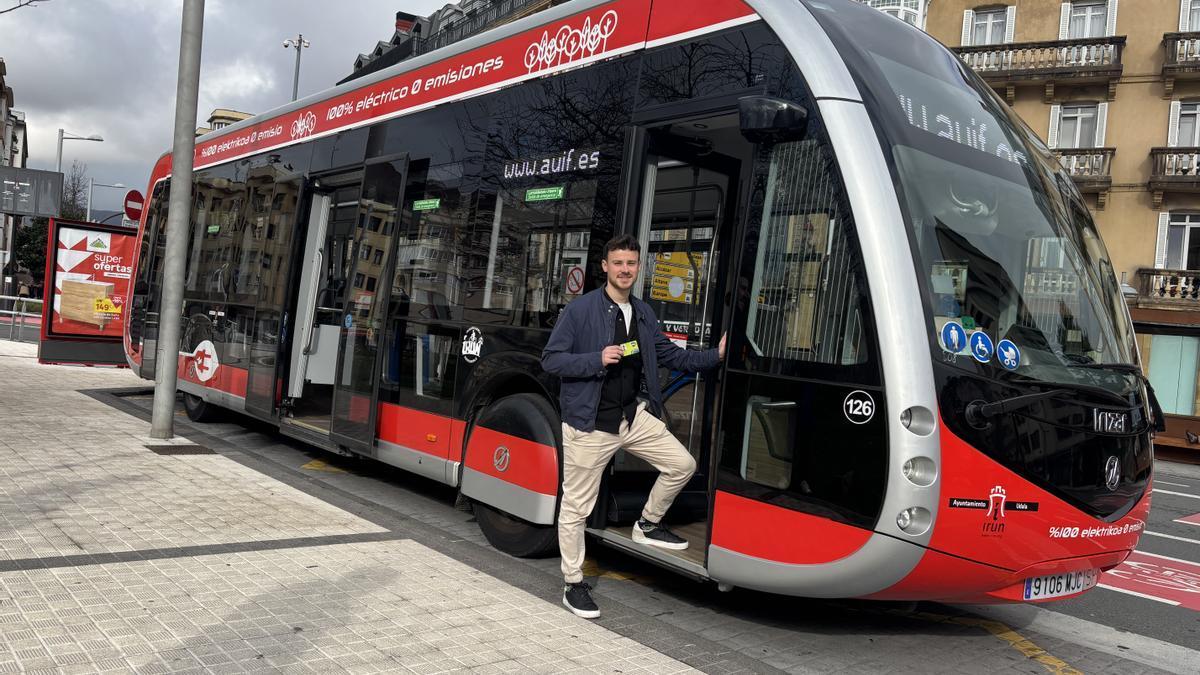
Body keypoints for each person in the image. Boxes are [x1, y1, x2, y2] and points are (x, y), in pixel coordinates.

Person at [542, 234, 725, 619]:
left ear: (638, 268)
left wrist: (717, 355)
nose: (625, 270)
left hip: (630, 416)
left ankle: (648, 523)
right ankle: (573, 583)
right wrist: (595, 358)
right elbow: (551, 360)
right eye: (618, 263)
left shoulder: (643, 312)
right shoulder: (581, 310)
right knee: (576, 507)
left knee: (682, 465)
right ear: (605, 267)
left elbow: (672, 356)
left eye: (632, 264)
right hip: (590, 423)